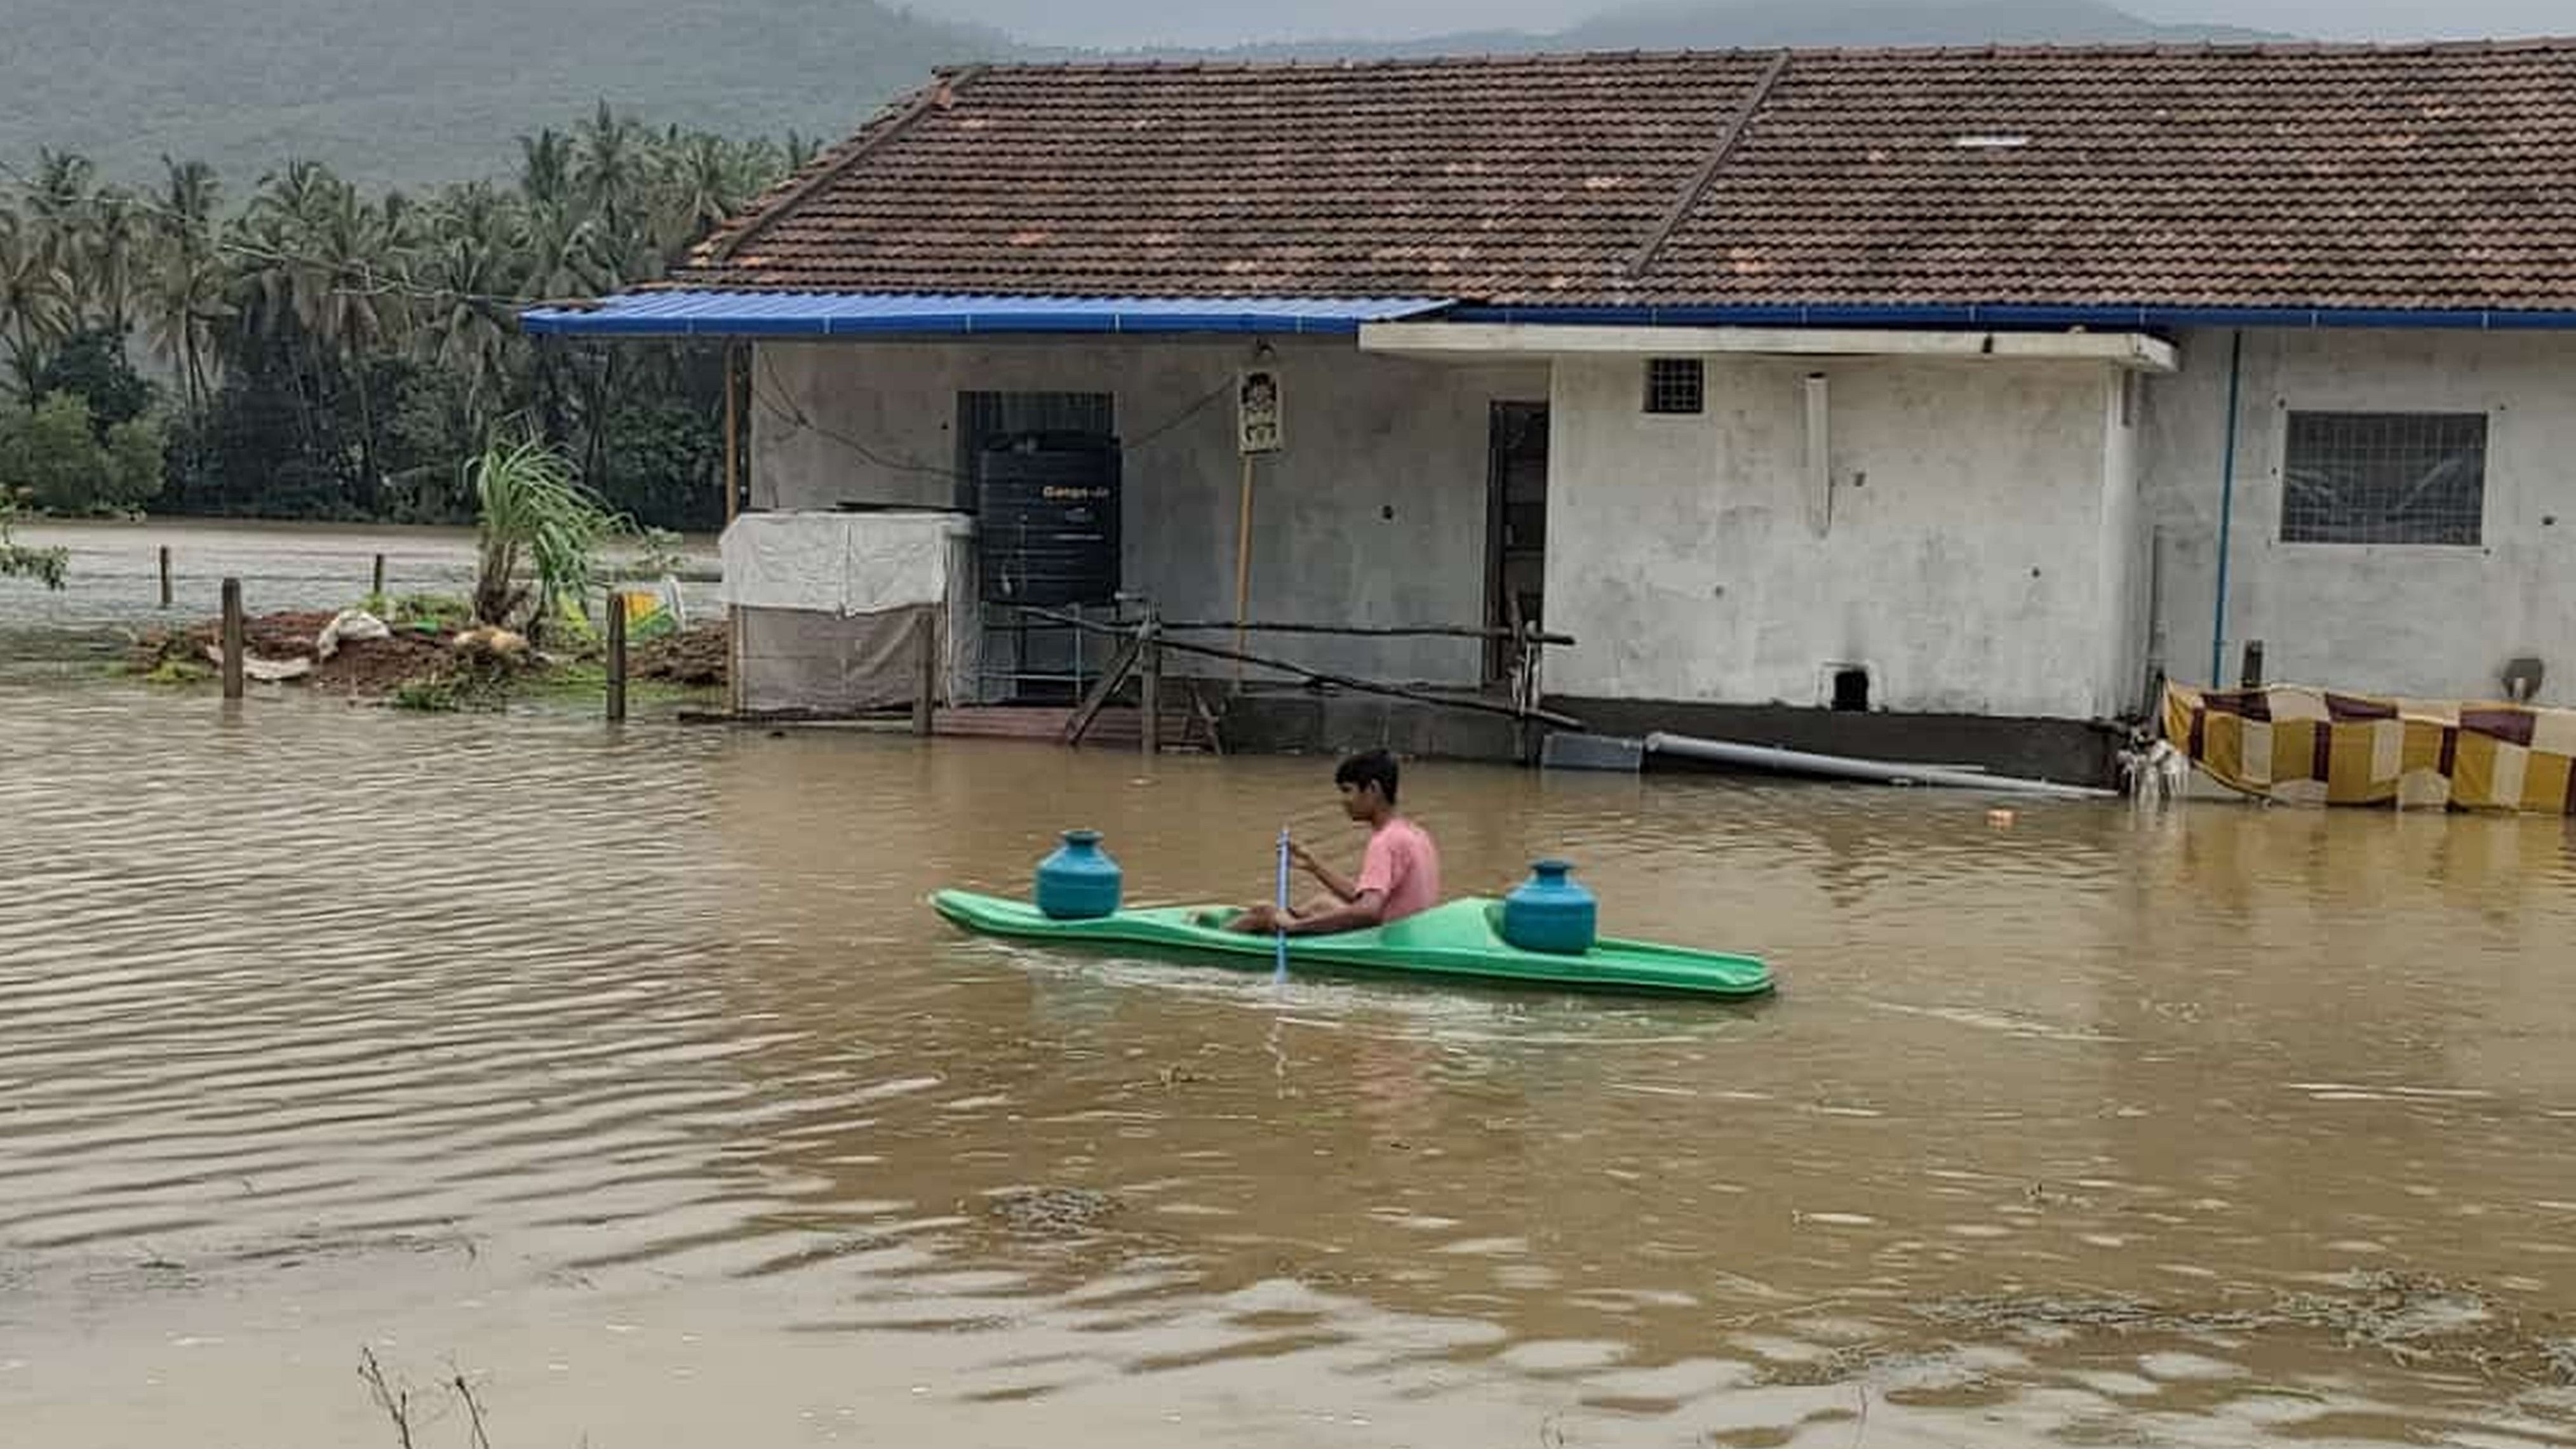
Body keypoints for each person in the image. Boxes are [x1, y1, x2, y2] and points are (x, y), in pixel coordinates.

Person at [1226, 749, 1442, 936]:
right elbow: (1367, 898)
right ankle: (1281, 921)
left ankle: (1212, 942)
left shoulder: (1385, 841)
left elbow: (1368, 911)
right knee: (1322, 903)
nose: (1342, 801)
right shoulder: (1415, 833)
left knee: (1263, 912)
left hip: (1384, 939)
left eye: (1348, 790)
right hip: (1404, 931)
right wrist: (1315, 866)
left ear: (1373, 790)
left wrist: (1297, 926)